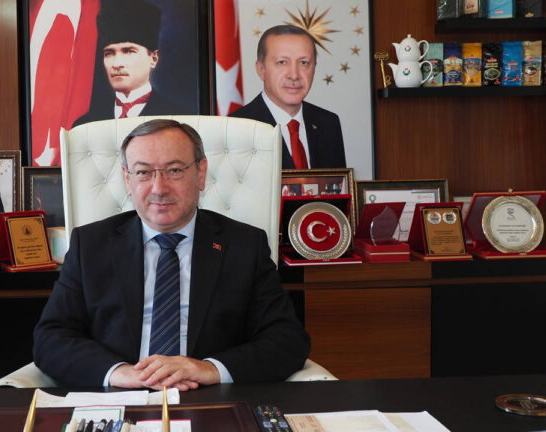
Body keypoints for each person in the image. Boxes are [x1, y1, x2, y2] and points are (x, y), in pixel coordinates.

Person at [33, 119, 310, 390]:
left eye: (174, 170)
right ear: (127, 180)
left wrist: (209, 368)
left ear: (200, 173)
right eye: (143, 172)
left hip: (209, 395)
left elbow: (287, 339)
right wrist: (119, 372)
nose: (159, 188)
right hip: (121, 394)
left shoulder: (244, 245)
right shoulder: (90, 245)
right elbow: (51, 338)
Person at [230, 25, 346, 170]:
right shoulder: (236, 127)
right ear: (261, 69)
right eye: (282, 62)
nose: (294, 75)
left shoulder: (328, 123)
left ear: (314, 68)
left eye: (304, 63)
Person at [72, 0, 192, 127]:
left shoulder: (180, 120)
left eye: (128, 51)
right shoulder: (86, 124)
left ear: (153, 58)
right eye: (109, 53)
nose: (116, 64)